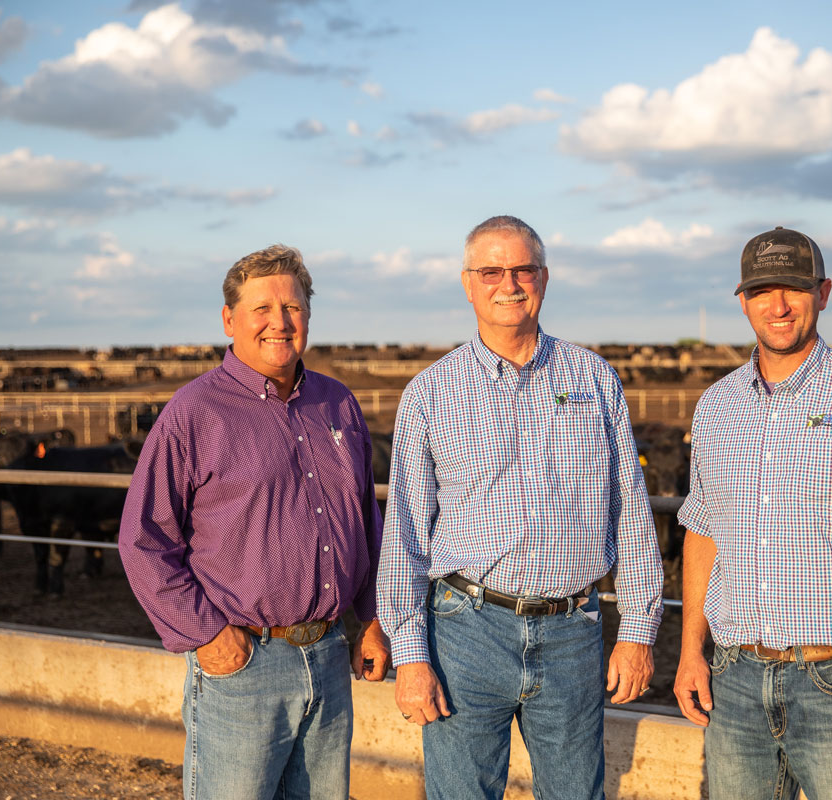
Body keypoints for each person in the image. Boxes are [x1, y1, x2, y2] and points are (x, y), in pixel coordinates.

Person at [377, 215, 664, 799]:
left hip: (571, 630)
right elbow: (405, 531)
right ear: (467, 283)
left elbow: (630, 511)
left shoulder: (595, 379)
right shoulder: (430, 393)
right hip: (465, 630)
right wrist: (410, 655)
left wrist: (638, 630)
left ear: (544, 278)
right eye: (490, 271)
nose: (508, 283)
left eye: (522, 269)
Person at [673, 226, 832, 800]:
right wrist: (691, 651)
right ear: (742, 300)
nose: (779, 305)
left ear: (823, 292)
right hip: (734, 678)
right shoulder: (718, 405)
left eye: (793, 287)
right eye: (762, 290)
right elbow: (702, 532)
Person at [118, 244, 389, 800]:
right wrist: (206, 635)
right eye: (261, 308)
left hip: (331, 658)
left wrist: (373, 616)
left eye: (293, 307)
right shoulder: (194, 414)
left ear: (308, 317)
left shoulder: (338, 403)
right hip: (245, 664)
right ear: (229, 319)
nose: (279, 322)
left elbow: (366, 519)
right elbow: (142, 540)